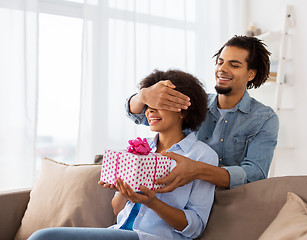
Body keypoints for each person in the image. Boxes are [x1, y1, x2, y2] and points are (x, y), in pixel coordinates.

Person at [28, 69, 218, 240]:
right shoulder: (139, 151)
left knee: (44, 237)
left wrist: (153, 203)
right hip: (119, 231)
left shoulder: (201, 156)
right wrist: (123, 190)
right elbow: (118, 209)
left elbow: (195, 228)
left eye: (158, 103)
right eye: (147, 104)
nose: (149, 110)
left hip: (155, 238)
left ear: (183, 110)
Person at [126, 35, 279, 192]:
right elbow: (141, 115)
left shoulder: (264, 118)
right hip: (185, 195)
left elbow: (255, 174)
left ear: (251, 74)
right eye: (220, 62)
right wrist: (143, 95)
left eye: (234, 65)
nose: (222, 69)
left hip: (232, 202)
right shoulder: (193, 102)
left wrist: (197, 170)